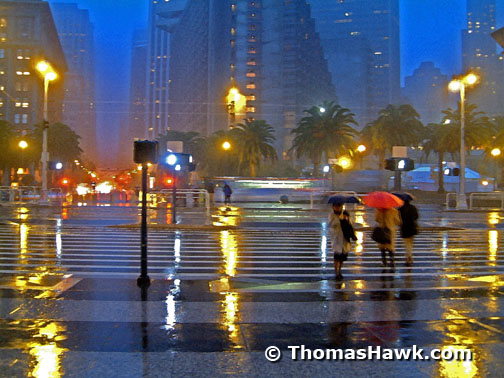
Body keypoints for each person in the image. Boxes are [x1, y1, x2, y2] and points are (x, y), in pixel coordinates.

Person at [328, 202, 355, 280]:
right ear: (333, 207)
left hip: (345, 238)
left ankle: (340, 269)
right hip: (336, 238)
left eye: (339, 206)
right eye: (336, 206)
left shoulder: (346, 213)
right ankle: (337, 272)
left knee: (343, 256)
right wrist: (339, 219)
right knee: (337, 256)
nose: (338, 208)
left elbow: (351, 223)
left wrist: (346, 218)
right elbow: (331, 224)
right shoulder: (332, 215)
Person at [399, 199, 419, 266]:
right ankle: (410, 257)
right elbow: (416, 217)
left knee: (406, 244)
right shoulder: (413, 208)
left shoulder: (401, 209)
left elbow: (399, 218)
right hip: (412, 227)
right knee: (410, 243)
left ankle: (408, 258)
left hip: (404, 228)